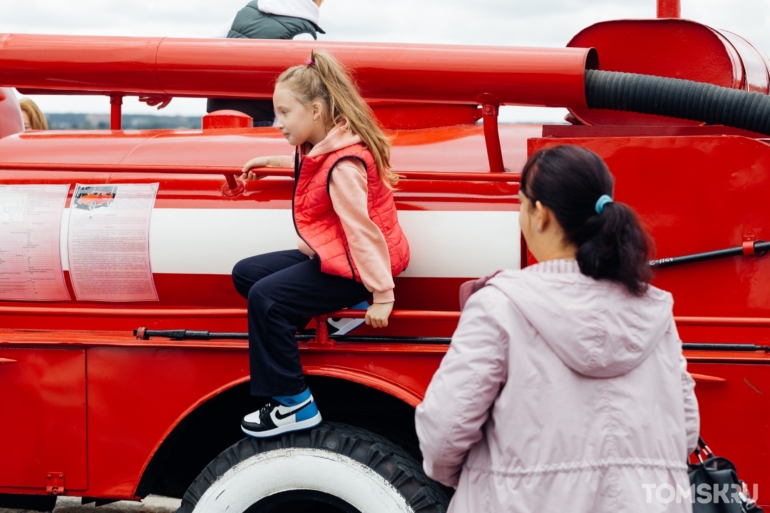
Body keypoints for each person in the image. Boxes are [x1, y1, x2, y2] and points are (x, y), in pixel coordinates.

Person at [415, 145, 699, 512]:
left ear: (540, 214)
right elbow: (685, 430)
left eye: (521, 204)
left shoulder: (499, 304)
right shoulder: (653, 311)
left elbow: (444, 435)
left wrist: (489, 479)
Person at [232, 50, 410, 438]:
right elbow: (308, 165)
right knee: (247, 274)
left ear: (315, 110)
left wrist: (382, 295)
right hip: (337, 258)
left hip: (358, 269)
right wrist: (268, 161)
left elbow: (363, 232)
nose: (278, 123)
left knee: (267, 298)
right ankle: (314, 322)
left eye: (284, 112)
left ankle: (294, 403)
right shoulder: (320, 145)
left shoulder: (343, 166)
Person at [207, 0, 326, 126]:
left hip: (219, 114)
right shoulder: (303, 34)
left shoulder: (248, 10)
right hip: (262, 120)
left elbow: (211, 47)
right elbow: (302, 90)